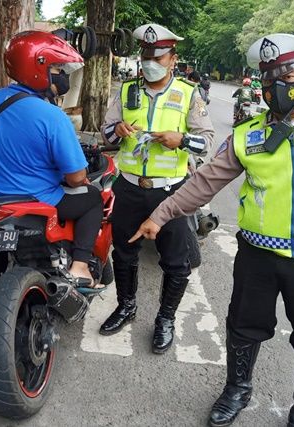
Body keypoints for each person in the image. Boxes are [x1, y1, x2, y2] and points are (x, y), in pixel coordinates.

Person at [130, 33, 294, 426]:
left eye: (288, 73)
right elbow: (204, 182)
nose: (278, 84)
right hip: (257, 256)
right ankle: (237, 389)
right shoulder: (248, 134)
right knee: (243, 328)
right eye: (268, 77)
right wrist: (161, 214)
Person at [99, 23, 215, 353]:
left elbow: (207, 142)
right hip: (130, 187)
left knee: (176, 262)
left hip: (172, 193)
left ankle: (165, 319)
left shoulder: (190, 94)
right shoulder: (125, 91)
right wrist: (117, 130)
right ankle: (126, 306)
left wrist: (181, 140)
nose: (150, 62)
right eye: (146, 56)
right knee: (123, 252)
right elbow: (104, 132)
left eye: (158, 57)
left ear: (172, 59)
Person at [0, 30, 104, 291]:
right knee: (92, 199)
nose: (62, 75)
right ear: (38, 67)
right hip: (33, 199)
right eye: (57, 68)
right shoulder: (52, 116)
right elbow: (76, 177)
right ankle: (80, 266)